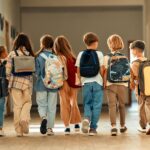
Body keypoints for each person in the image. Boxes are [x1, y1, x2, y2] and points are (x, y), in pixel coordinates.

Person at [6, 33, 34, 137]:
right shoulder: (30, 54)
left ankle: (18, 131)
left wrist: (8, 81)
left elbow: (8, 70)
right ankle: (24, 119)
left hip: (15, 83)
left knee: (17, 106)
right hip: (27, 83)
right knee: (27, 102)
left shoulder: (12, 54)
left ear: (16, 42)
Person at [76, 32, 104, 136]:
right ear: (95, 42)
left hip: (85, 83)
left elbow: (78, 71)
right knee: (96, 105)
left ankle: (87, 119)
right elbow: (101, 70)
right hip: (97, 83)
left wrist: (80, 82)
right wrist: (104, 82)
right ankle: (93, 128)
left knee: (87, 103)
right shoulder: (99, 54)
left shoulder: (80, 54)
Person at [54, 36, 81, 135]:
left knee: (64, 104)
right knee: (73, 102)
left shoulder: (57, 57)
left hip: (62, 82)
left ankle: (67, 127)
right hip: (73, 82)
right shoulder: (72, 57)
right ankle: (77, 123)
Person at [104, 34, 128, 136]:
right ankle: (122, 126)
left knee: (112, 106)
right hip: (122, 84)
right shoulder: (124, 57)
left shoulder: (106, 57)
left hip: (110, 83)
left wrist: (104, 82)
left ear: (110, 44)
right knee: (122, 105)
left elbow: (104, 71)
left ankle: (113, 127)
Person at [35, 34, 58, 135]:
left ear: (42, 44)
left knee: (41, 104)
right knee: (52, 107)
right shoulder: (56, 57)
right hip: (53, 85)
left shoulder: (39, 57)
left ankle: (43, 118)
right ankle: (50, 129)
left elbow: (37, 73)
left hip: (41, 84)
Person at [130, 40, 150, 135]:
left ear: (136, 50)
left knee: (141, 107)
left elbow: (135, 77)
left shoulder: (135, 63)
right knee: (148, 106)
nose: (132, 52)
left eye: (132, 50)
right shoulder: (148, 61)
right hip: (149, 88)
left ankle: (143, 126)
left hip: (140, 89)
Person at [0, 46, 8, 136]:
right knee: (1, 109)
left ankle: (0, 128)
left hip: (2, 89)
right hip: (1, 89)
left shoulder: (5, 62)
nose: (7, 54)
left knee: (1, 108)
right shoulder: (4, 63)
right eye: (5, 52)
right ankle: (0, 128)